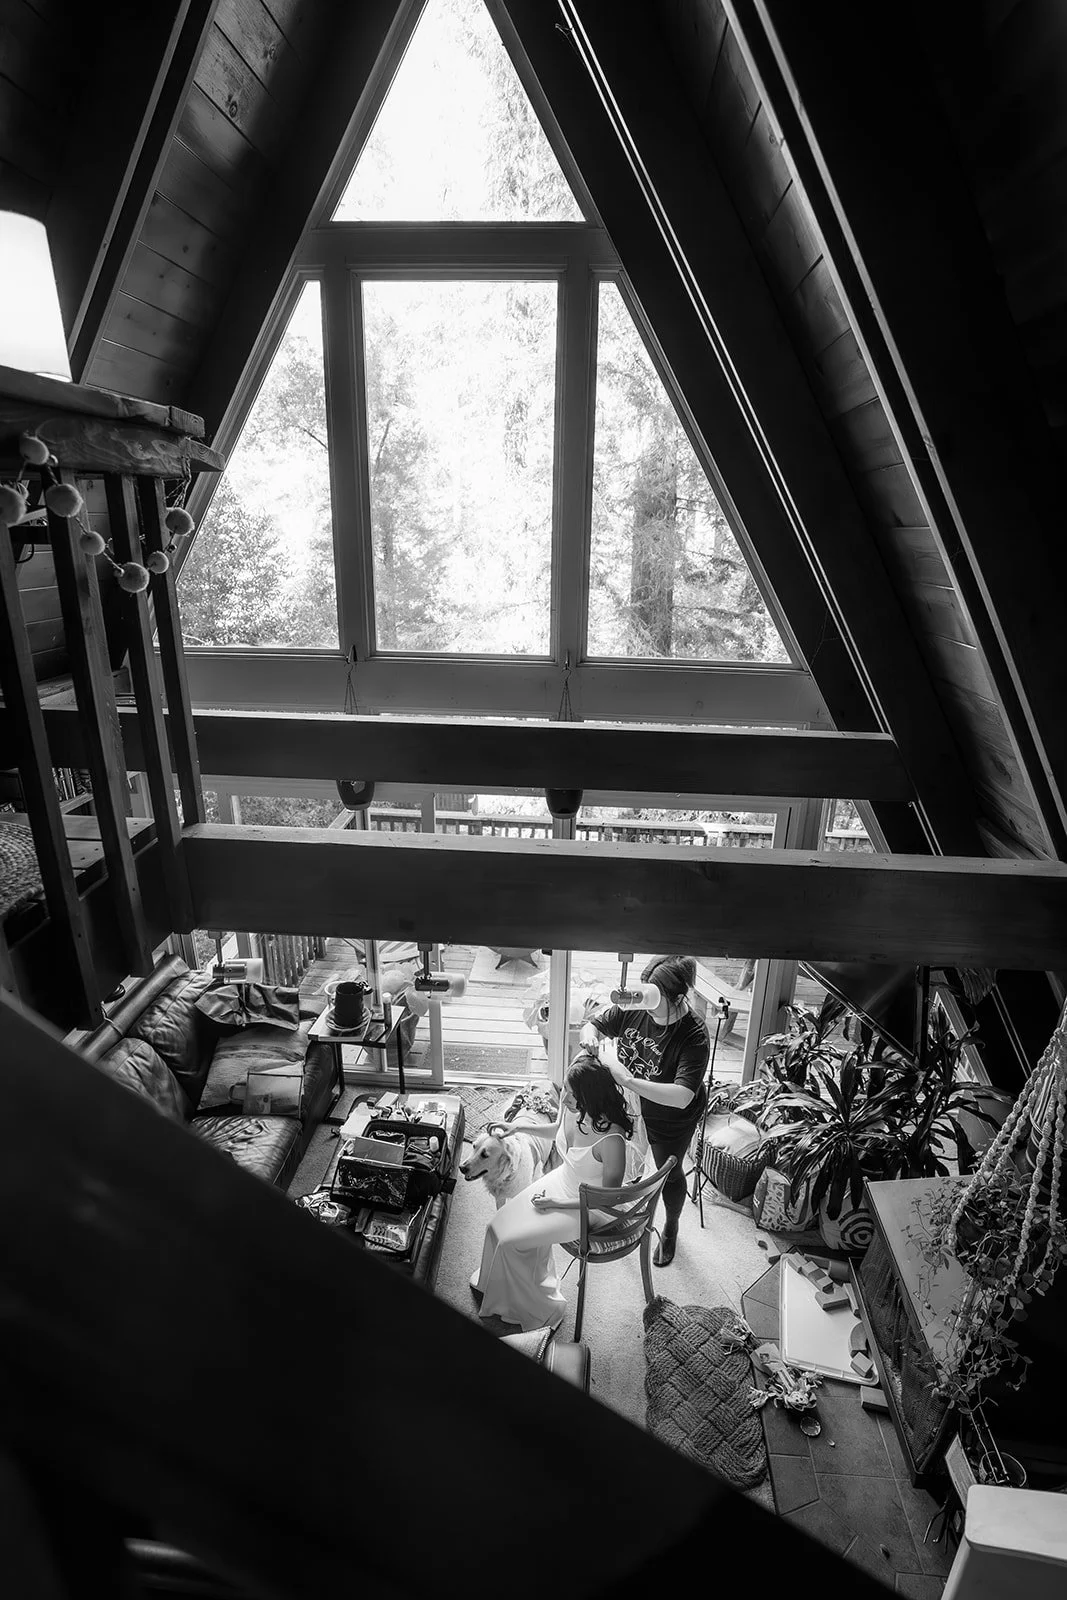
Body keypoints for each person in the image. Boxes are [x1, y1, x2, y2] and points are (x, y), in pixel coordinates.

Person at [472, 1054, 639, 1332]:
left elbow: (607, 1198)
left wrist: (556, 1203)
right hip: (561, 1182)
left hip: (589, 1207)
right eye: (566, 1091)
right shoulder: (575, 1109)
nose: (563, 1100)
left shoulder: (612, 1139)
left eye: (570, 1094)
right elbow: (557, 1130)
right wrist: (518, 1126)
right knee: (495, 1226)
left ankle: (540, 1308)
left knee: (514, 1241)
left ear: (590, 1095)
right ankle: (497, 1288)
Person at [580, 955, 710, 1268]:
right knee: (629, 1165)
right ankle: (625, 1211)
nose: (645, 1004)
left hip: (671, 1116)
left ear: (677, 998)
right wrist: (590, 1038)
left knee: (669, 1171)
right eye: (644, 995)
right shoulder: (636, 1006)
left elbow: (681, 1096)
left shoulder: (693, 1035)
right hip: (629, 1108)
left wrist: (627, 1079)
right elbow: (594, 1024)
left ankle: (671, 1227)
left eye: (654, 999)